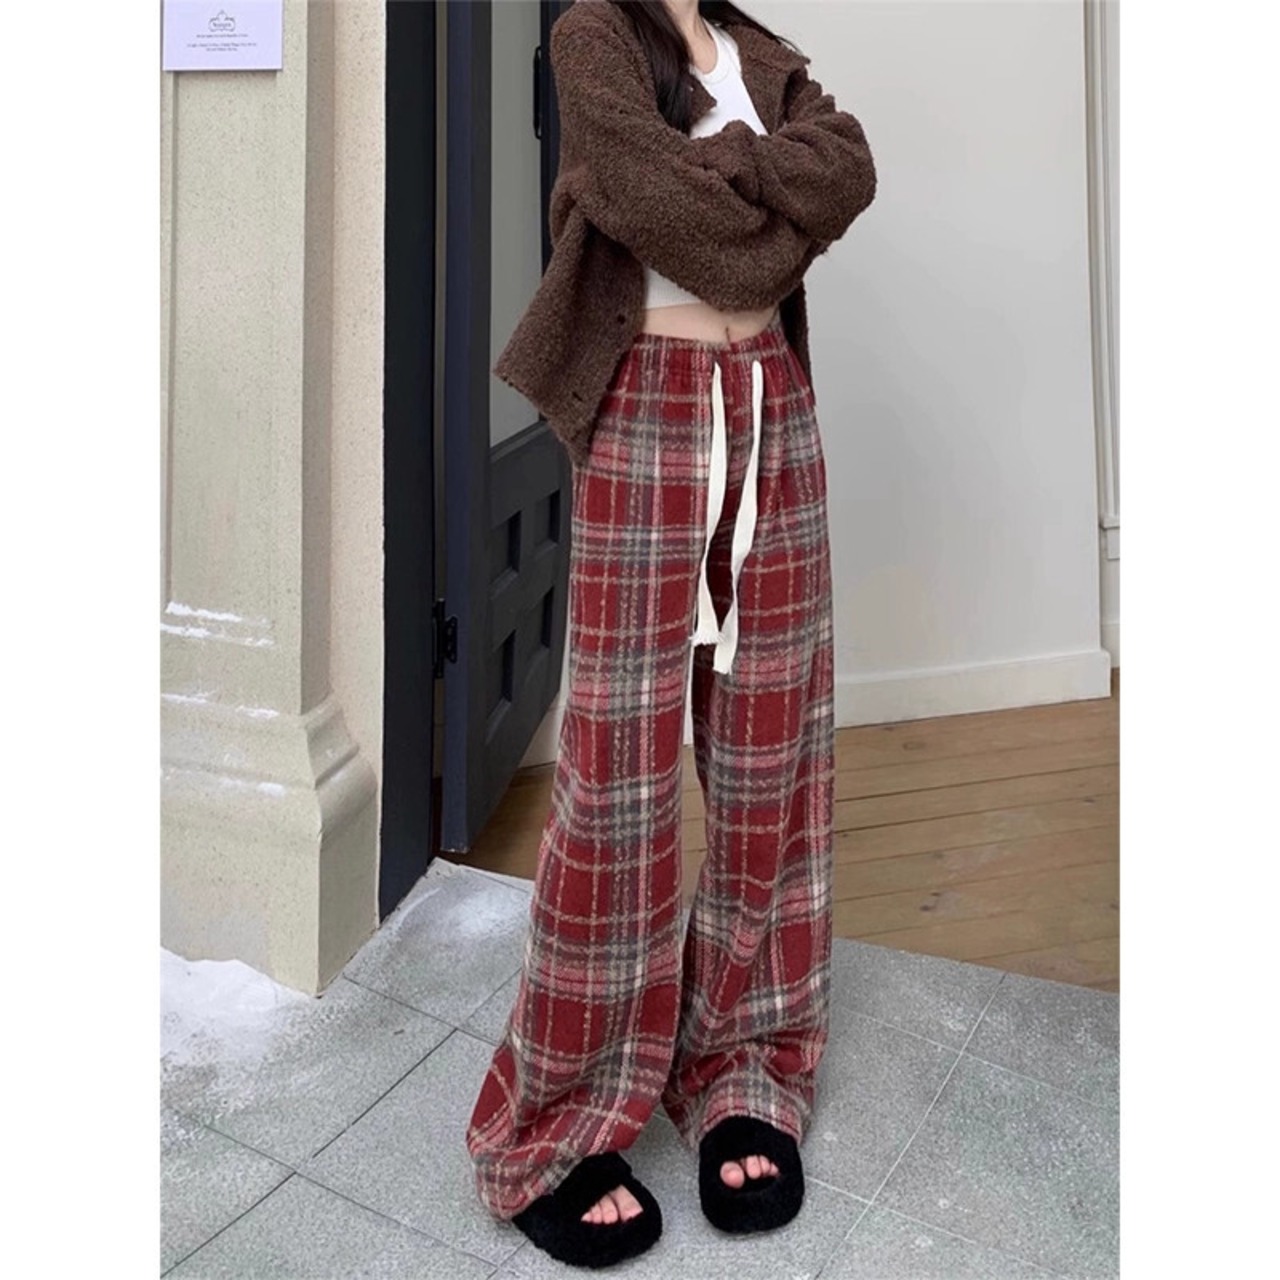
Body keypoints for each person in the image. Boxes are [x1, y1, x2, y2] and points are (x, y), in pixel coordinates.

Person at [465, 0, 877, 1267]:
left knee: (771, 757)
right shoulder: (591, 35)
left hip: (773, 411)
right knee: (617, 776)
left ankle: (745, 1063)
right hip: (645, 406)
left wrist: (726, 174)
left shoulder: (767, 57)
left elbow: (849, 164)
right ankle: (558, 1117)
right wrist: (769, 196)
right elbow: (697, 232)